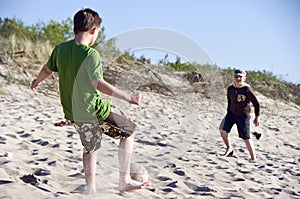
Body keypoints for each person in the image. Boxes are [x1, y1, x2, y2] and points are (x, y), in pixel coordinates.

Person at [31, 8, 148, 193]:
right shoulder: (90, 54)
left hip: (73, 112)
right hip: (93, 110)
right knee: (128, 132)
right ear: (94, 30)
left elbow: (47, 69)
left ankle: (90, 188)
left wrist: (36, 81)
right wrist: (128, 97)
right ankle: (124, 179)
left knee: (90, 146)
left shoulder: (60, 49)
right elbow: (98, 84)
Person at [219, 69, 260, 161]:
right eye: (236, 77)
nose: (238, 79)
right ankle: (229, 148)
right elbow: (230, 102)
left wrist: (257, 116)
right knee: (222, 130)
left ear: (244, 78)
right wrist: (228, 113)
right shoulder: (230, 89)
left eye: (240, 77)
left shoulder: (247, 89)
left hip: (243, 116)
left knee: (246, 137)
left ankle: (253, 158)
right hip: (231, 114)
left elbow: (256, 103)